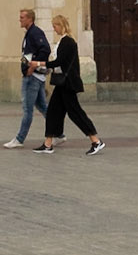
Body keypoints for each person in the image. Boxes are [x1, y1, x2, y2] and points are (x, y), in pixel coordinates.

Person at [37, 14, 103, 155]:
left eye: (55, 26)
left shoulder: (68, 41)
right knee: (53, 111)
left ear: (61, 25)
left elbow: (59, 61)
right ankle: (48, 143)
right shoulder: (63, 41)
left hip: (68, 83)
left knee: (75, 113)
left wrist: (39, 63)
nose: (54, 29)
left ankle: (96, 140)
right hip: (62, 84)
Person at [4, 8, 51, 146]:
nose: (20, 19)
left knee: (27, 109)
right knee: (42, 107)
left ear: (30, 19)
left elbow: (45, 49)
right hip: (33, 76)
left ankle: (19, 139)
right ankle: (58, 133)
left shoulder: (35, 32)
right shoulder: (29, 33)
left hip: (33, 78)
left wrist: (33, 66)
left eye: (22, 17)